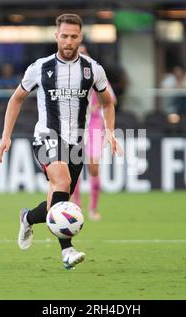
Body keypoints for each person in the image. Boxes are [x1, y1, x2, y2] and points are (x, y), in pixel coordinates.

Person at [0, 13, 122, 269]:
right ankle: (67, 251)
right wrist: (6, 136)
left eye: (73, 37)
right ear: (56, 36)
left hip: (76, 142)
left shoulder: (92, 69)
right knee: (63, 182)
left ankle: (28, 217)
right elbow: (16, 98)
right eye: (64, 36)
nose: (68, 41)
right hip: (46, 137)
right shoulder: (39, 67)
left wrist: (109, 130)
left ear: (80, 37)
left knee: (60, 202)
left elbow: (108, 102)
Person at [71, 44, 117, 221]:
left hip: (94, 125)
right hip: (75, 125)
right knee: (73, 166)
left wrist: (96, 105)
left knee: (93, 166)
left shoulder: (96, 73)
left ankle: (93, 206)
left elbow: (111, 99)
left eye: (83, 52)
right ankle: (77, 205)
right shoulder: (68, 77)